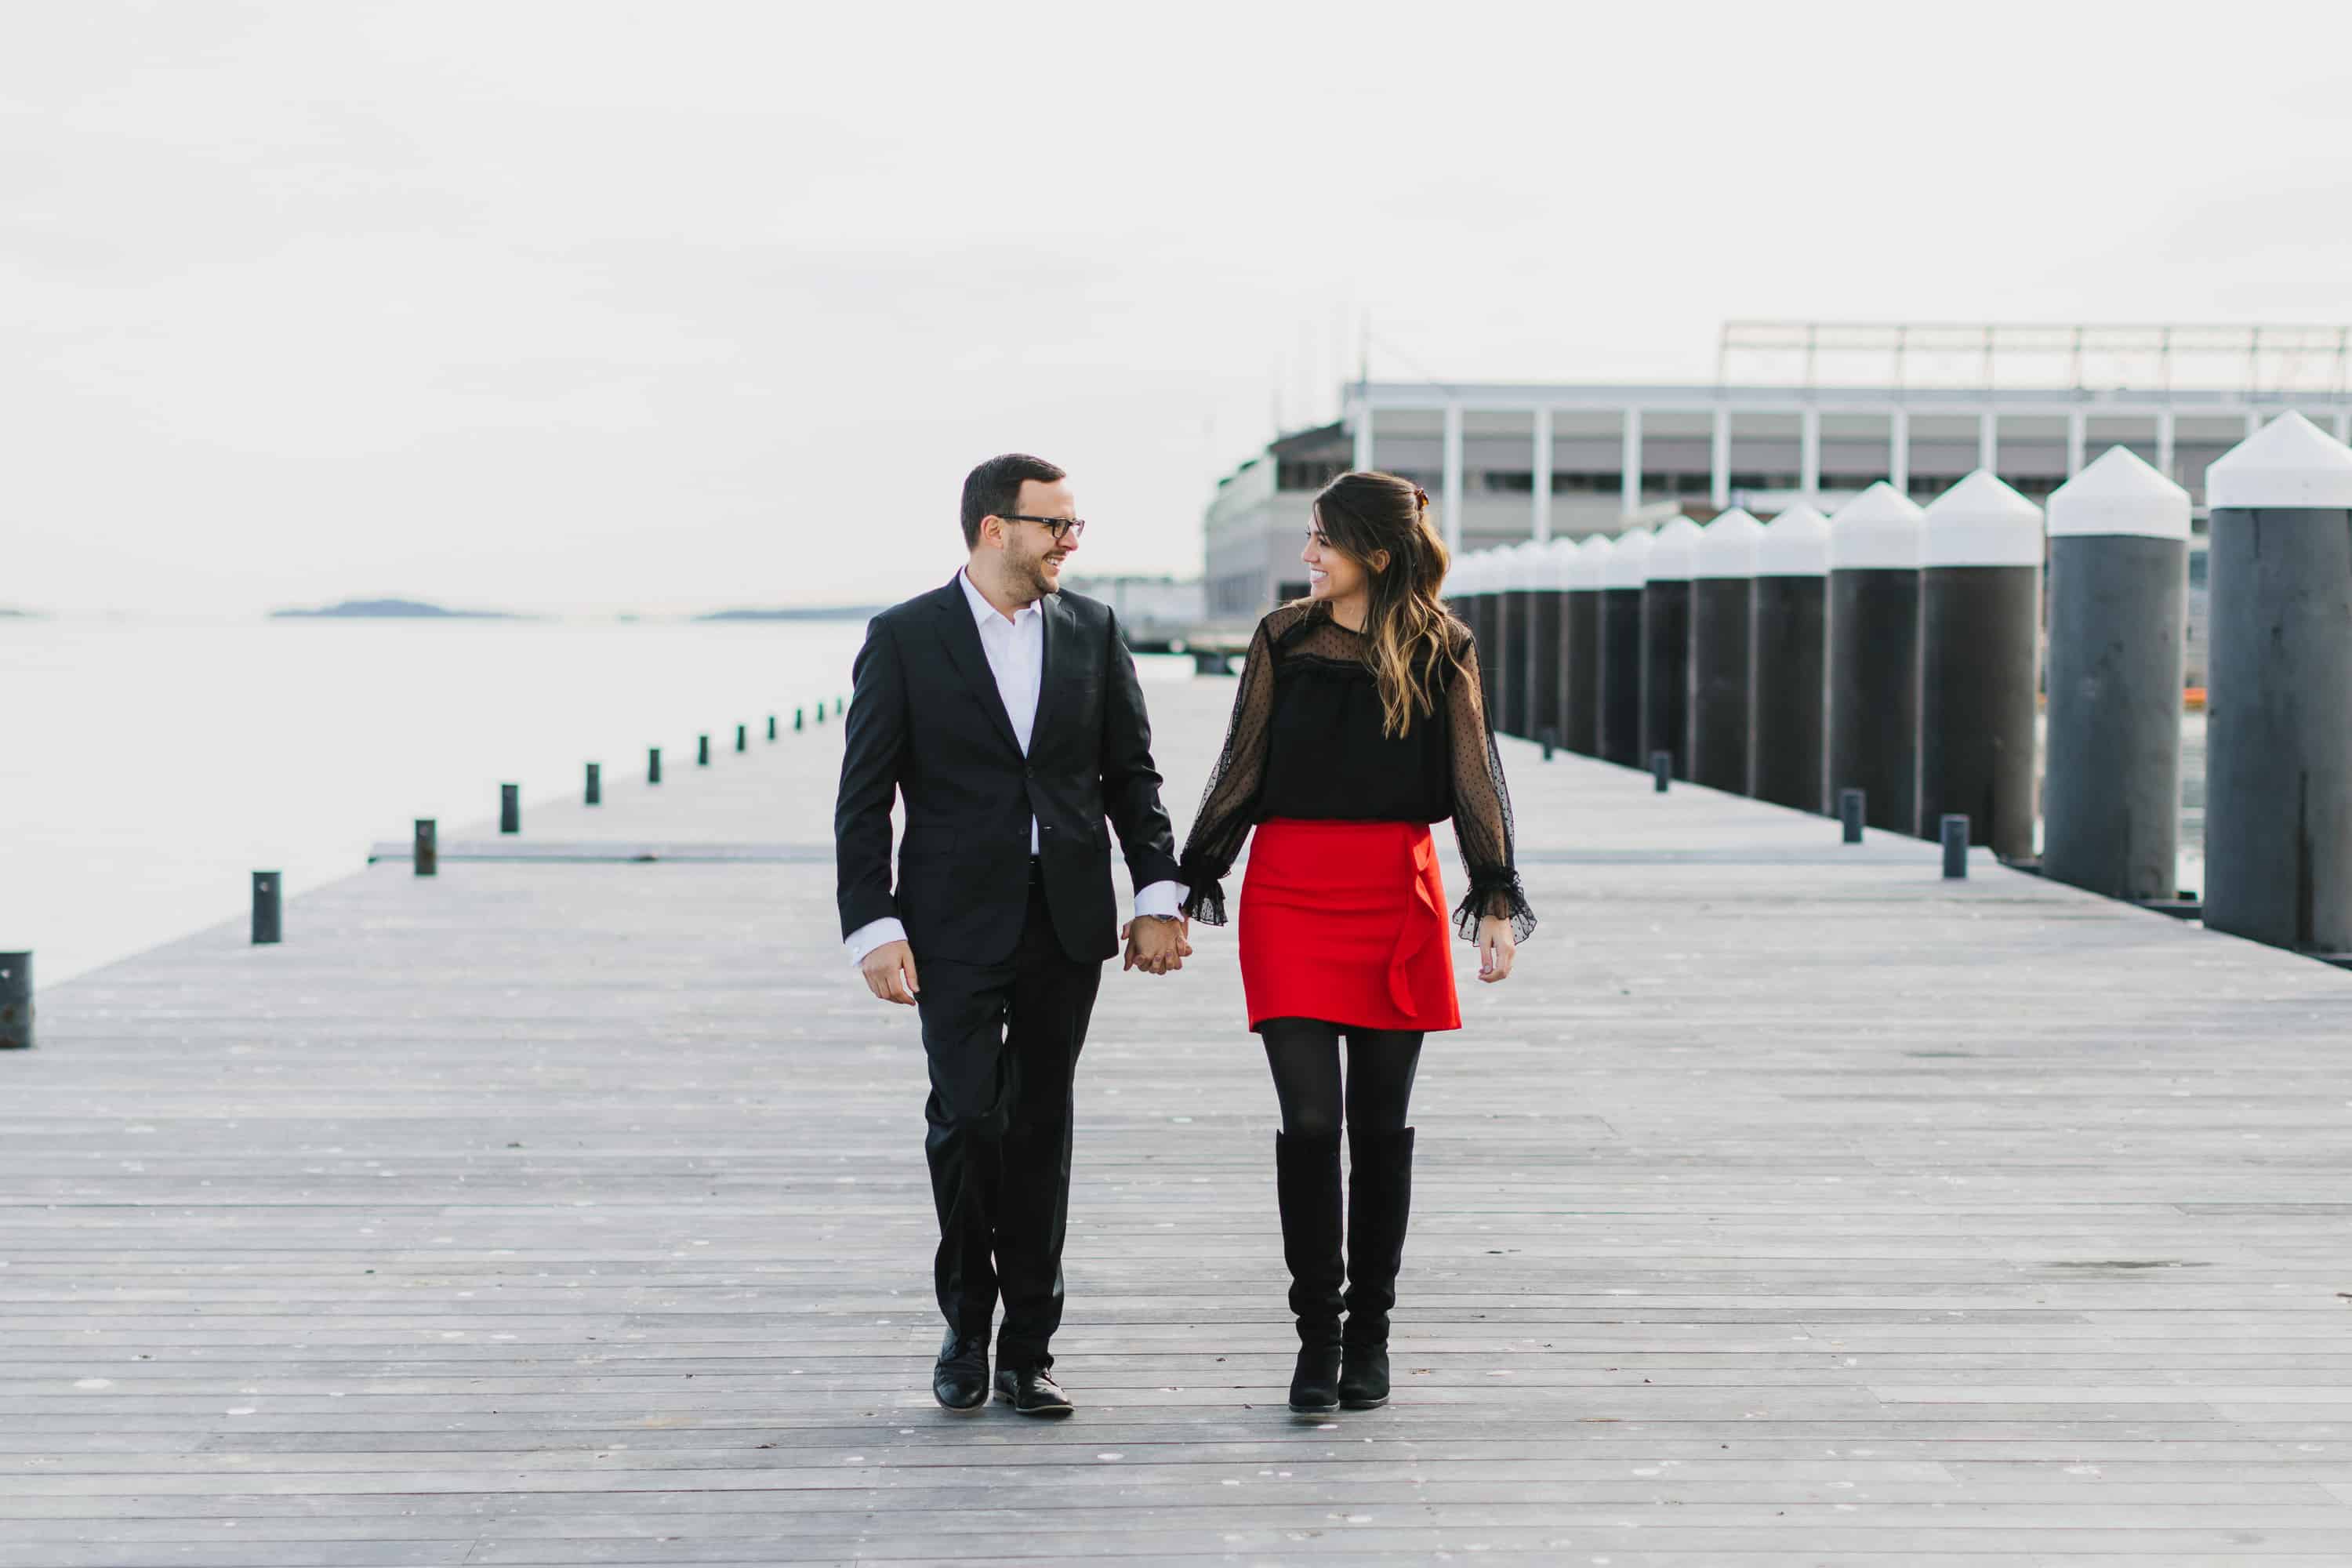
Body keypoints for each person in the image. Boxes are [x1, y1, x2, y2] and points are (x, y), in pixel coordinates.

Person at [835, 452, 1193, 1418]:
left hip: (1067, 919)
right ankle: (965, 1322)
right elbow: (864, 799)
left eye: (1075, 525)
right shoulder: (907, 636)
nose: (1070, 542)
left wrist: (1159, 893)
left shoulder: (1094, 628)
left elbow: (1134, 778)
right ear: (996, 527)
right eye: (1055, 525)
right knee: (964, 1119)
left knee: (1040, 1126)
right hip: (949, 922)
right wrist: (874, 924)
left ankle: (1027, 1347)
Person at [1177, 469, 1534, 1414]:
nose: (1306, 557)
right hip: (1289, 892)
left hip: (1394, 895)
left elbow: (1474, 781)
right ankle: (1315, 1335)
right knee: (1310, 1122)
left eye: (1320, 541)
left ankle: (1369, 1334)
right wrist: (1186, 880)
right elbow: (1239, 769)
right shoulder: (1282, 639)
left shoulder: (1443, 646)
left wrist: (1494, 896)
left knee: (1379, 1126)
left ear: (1373, 553)